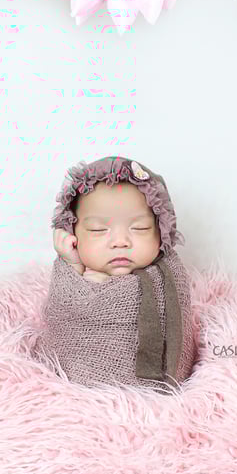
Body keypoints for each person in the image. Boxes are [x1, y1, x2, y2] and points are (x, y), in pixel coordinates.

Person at [40, 155, 196, 391]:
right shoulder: (75, 273)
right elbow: (62, 314)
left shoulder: (167, 279)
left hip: (150, 398)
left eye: (140, 228)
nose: (120, 242)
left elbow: (178, 331)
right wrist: (71, 262)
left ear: (161, 231)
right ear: (73, 233)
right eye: (98, 229)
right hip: (77, 389)